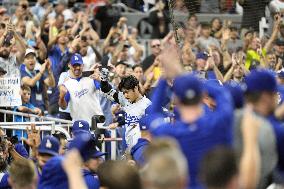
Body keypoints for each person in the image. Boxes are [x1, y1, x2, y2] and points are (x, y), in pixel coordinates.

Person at [148, 42, 234, 189]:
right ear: (201, 96)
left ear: (177, 101)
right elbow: (223, 94)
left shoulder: (169, 132)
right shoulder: (219, 122)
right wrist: (192, 81)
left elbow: (152, 114)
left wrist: (165, 77)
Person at [100, 70, 151, 149]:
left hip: (142, 148)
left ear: (136, 88)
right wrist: (104, 79)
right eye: (123, 92)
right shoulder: (125, 100)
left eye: (127, 92)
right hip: (129, 147)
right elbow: (107, 90)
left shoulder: (147, 105)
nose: (125, 95)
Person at [58, 53, 103, 125]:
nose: (77, 68)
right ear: (70, 65)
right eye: (74, 65)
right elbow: (63, 107)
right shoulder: (67, 84)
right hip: (79, 124)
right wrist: (61, 97)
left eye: (79, 65)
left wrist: (100, 79)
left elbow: (103, 89)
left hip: (96, 122)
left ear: (83, 65)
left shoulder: (91, 77)